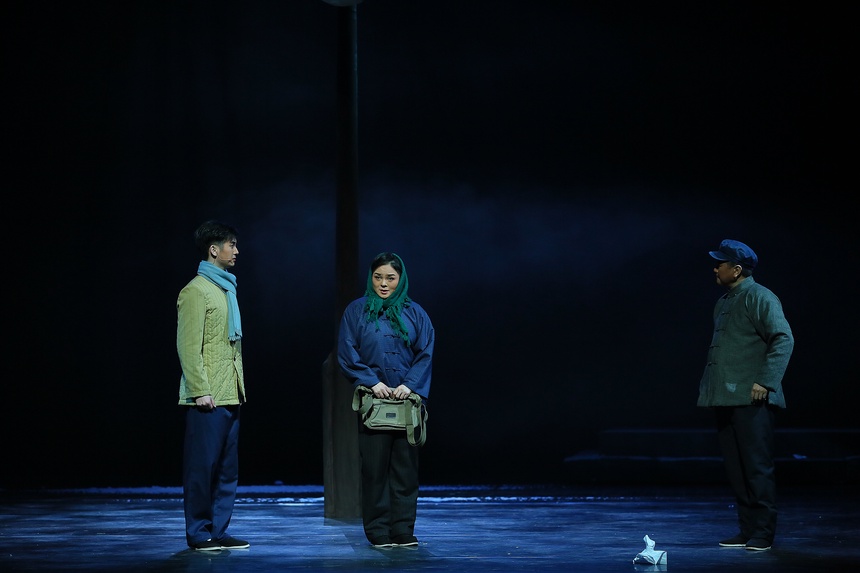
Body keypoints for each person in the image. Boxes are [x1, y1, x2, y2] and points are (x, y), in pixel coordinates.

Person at [698, 239, 794, 552]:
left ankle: (763, 532)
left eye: (720, 264)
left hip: (753, 398)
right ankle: (747, 529)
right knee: (736, 468)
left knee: (756, 467)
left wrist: (765, 382)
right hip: (726, 397)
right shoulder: (724, 301)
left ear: (737, 269)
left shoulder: (760, 296)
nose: (715, 269)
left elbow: (783, 339)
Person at [337, 252, 435, 549]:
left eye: (390, 278)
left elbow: (425, 352)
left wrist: (409, 385)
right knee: (375, 470)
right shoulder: (357, 311)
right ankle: (378, 530)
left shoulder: (415, 313)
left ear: (400, 279)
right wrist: (372, 382)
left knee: (405, 470)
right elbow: (347, 351)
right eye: (378, 277)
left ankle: (403, 529)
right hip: (374, 402)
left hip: (406, 403)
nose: (383, 283)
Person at [176, 220, 249, 551]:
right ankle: (199, 531)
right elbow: (188, 347)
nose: (236, 251)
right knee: (201, 468)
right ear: (213, 249)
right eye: (231, 245)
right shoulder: (195, 290)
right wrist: (199, 389)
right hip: (207, 395)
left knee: (227, 470)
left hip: (230, 391)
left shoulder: (226, 289)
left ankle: (219, 530)